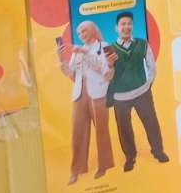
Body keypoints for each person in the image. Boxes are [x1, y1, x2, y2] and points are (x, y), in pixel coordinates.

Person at [107, 11, 169, 169]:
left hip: (142, 92)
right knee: (124, 129)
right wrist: (109, 65)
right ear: (116, 28)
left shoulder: (142, 43)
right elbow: (106, 77)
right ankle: (130, 157)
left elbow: (151, 66)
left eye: (129, 23)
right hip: (120, 97)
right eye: (123, 24)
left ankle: (158, 151)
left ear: (132, 26)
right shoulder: (109, 50)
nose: (126, 27)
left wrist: (147, 85)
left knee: (151, 122)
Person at [63, 19, 114, 183]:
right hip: (80, 92)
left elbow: (104, 69)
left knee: (101, 129)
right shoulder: (77, 51)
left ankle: (104, 166)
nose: (81, 35)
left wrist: (85, 53)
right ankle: (76, 170)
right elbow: (70, 72)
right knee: (77, 131)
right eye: (79, 33)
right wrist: (61, 57)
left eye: (84, 30)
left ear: (92, 30)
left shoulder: (105, 46)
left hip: (99, 92)